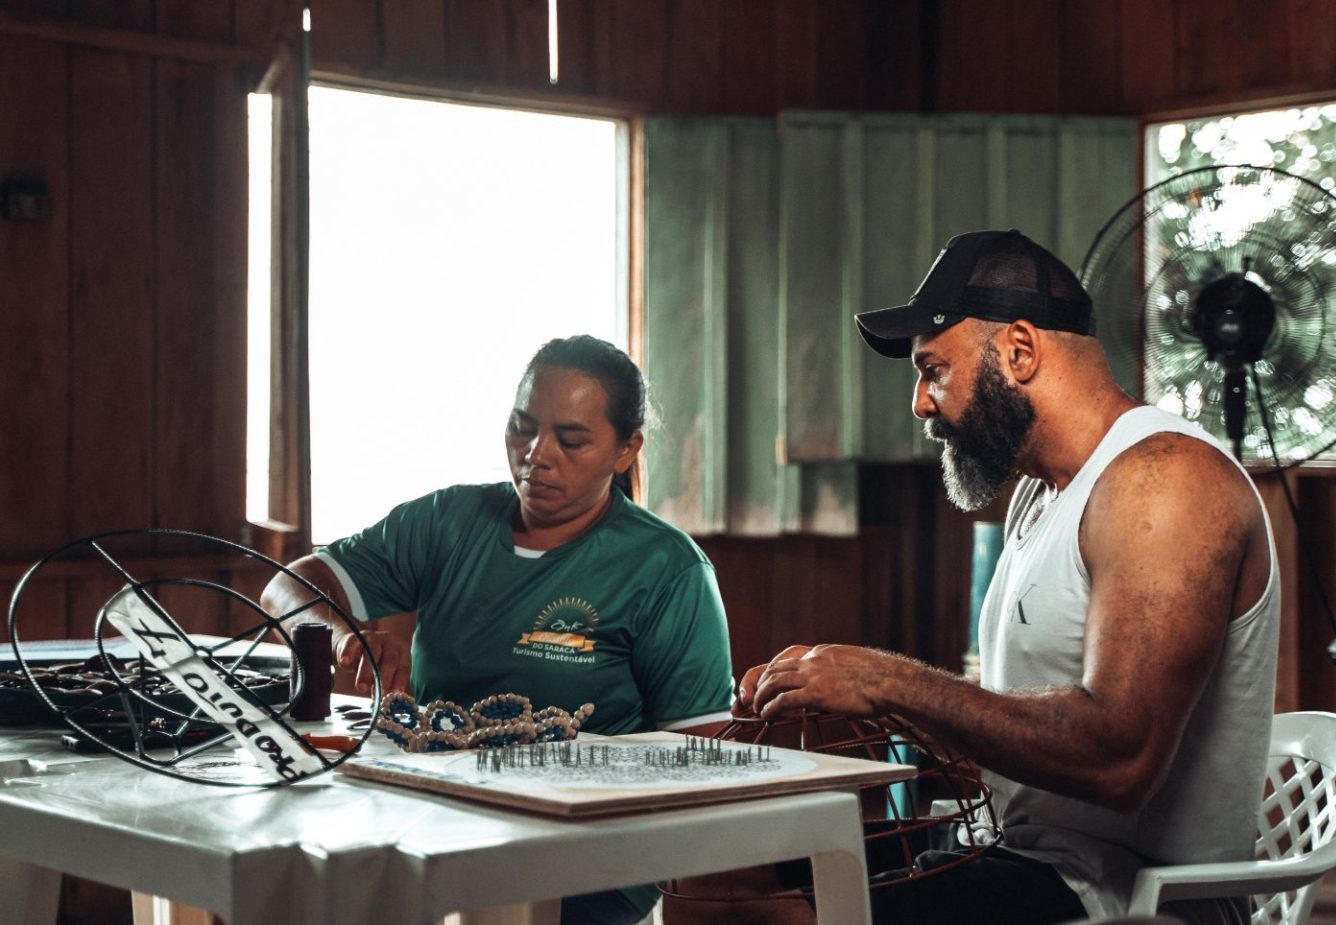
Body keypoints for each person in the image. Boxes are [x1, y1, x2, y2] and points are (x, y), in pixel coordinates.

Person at [736, 230, 1279, 925]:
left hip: (1126, 897)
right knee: (735, 868)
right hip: (1015, 856)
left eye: (934, 370)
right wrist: (845, 695)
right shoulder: (1039, 491)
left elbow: (1121, 759)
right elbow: (1015, 724)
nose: (920, 403)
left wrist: (888, 681)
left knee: (771, 918)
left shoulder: (1164, 480)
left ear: (1020, 350)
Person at [262, 334, 735, 925]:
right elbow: (286, 588)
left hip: (586, 852)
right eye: (522, 428)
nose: (537, 454)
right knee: (287, 880)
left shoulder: (667, 569)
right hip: (435, 819)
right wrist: (338, 637)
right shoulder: (447, 522)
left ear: (626, 449)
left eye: (571, 440)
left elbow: (701, 755)